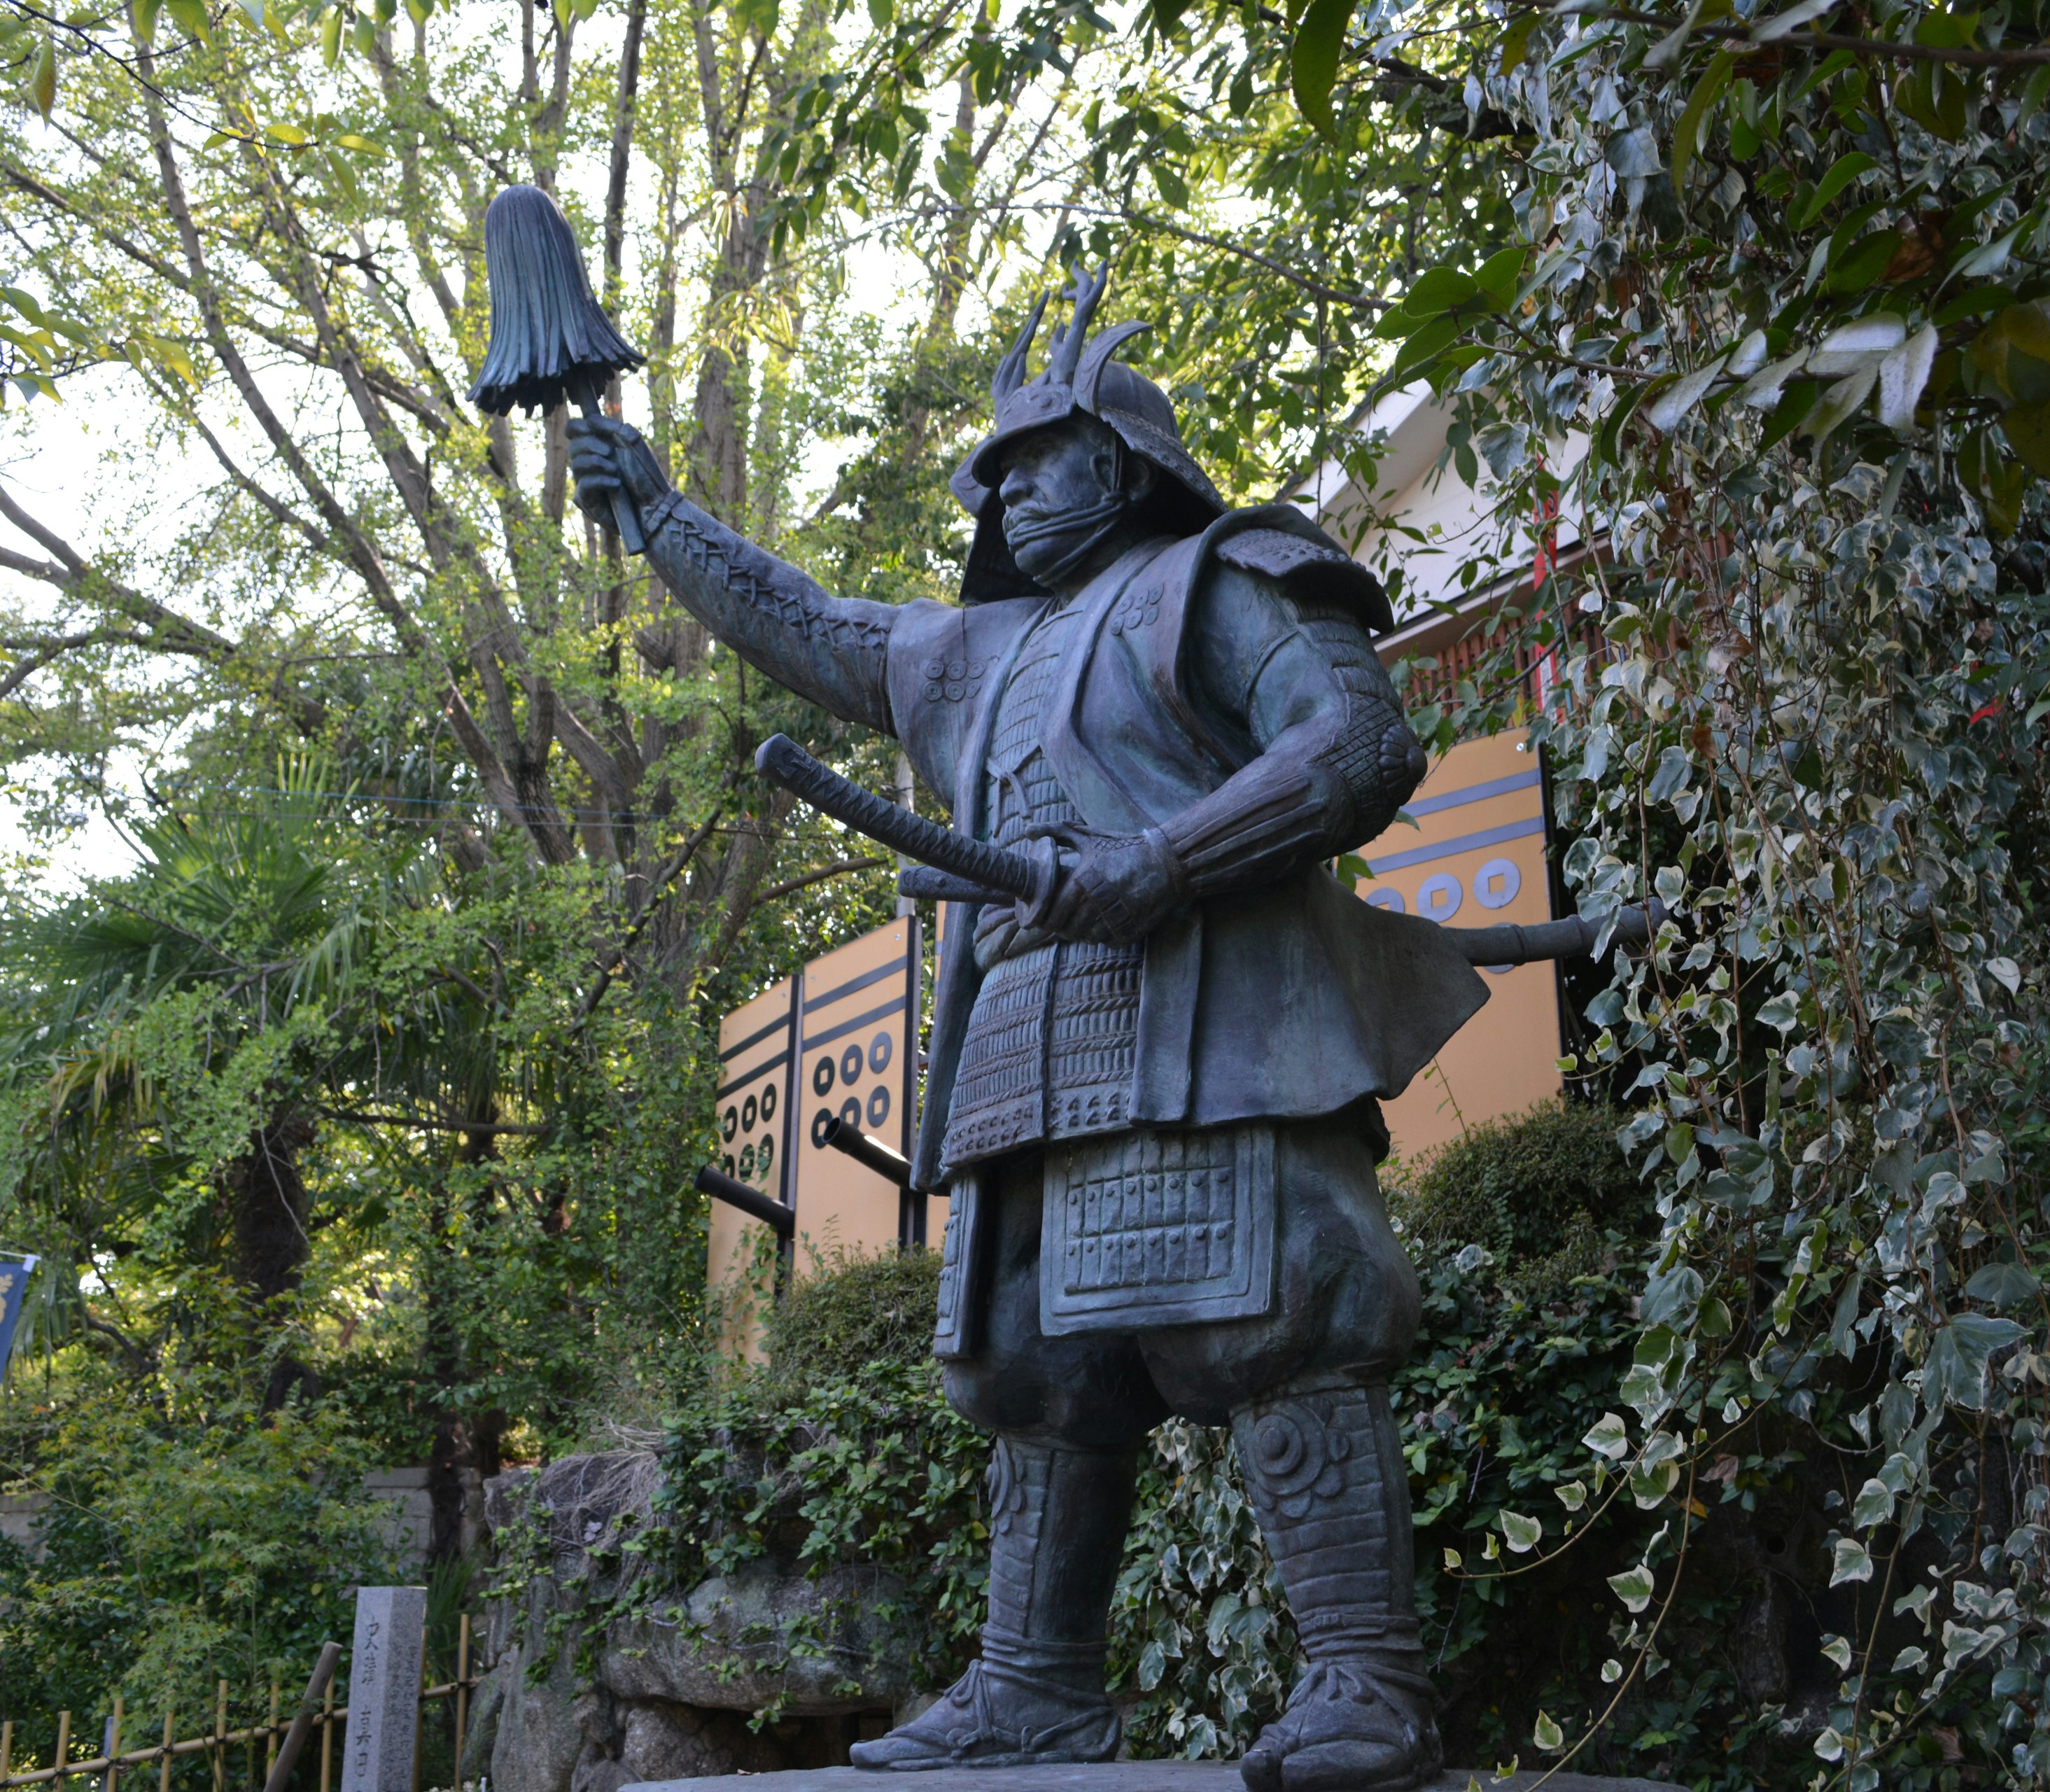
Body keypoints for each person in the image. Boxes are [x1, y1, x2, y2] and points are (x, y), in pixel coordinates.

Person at [568, 268, 1489, 1792]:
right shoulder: (972, 653)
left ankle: (1367, 1681)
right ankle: (1035, 1684)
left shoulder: (1223, 574)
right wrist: (660, 513)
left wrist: (1166, 858)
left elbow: (1357, 741)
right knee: (1038, 1361)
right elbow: (808, 619)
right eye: (994, 470)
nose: (1003, 490)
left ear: (1119, 463)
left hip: (1212, 1015)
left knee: (1272, 1316)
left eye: (1032, 459)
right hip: (1025, 1042)